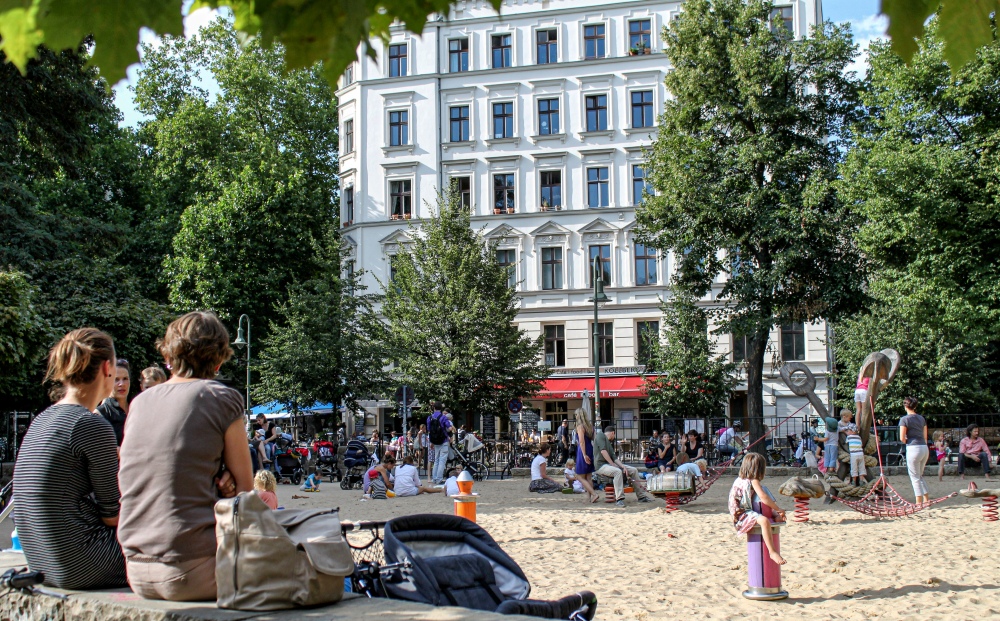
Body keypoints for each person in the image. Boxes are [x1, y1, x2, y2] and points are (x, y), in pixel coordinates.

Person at [117, 311, 253, 601]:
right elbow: (245, 492)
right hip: (194, 568)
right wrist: (226, 483)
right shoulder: (220, 397)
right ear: (219, 359)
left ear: (169, 355)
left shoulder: (139, 403)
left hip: (136, 569)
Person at [13, 328, 128, 590]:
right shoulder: (90, 424)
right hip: (83, 563)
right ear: (107, 368)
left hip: (42, 562)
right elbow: (114, 516)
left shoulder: (42, 420)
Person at [728, 452, 786, 565]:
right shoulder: (753, 481)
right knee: (764, 521)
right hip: (742, 514)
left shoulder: (740, 479)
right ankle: (772, 551)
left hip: (744, 510)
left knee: (767, 512)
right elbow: (763, 497)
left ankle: (775, 515)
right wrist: (778, 509)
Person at [594, 426, 654, 507]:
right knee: (617, 472)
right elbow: (603, 451)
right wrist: (613, 465)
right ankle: (619, 499)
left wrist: (623, 466)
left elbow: (614, 458)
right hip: (601, 466)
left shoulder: (609, 443)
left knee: (633, 470)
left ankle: (641, 496)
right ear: (613, 433)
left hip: (609, 465)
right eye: (614, 435)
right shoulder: (600, 435)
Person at [898, 396, 929, 505]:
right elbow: (925, 436)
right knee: (919, 476)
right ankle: (926, 500)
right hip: (924, 447)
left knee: (914, 477)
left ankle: (918, 502)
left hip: (913, 447)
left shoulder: (904, 419)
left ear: (905, 406)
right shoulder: (921, 418)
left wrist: (908, 441)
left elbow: (902, 438)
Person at [96, 358, 130, 446]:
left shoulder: (136, 407)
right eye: (116, 379)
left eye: (125, 378)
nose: (121, 384)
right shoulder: (101, 413)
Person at [573, 409, 599, 503]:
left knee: (579, 476)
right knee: (588, 476)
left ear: (578, 416)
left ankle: (594, 494)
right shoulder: (590, 426)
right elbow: (595, 439)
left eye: (576, 415)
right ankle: (589, 497)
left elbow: (581, 441)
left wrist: (584, 454)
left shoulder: (580, 426)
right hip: (590, 449)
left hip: (583, 451)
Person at [427, 404, 453, 484]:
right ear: (441, 409)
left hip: (435, 442)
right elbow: (449, 428)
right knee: (442, 461)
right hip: (443, 441)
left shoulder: (429, 418)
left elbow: (429, 430)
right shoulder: (443, 417)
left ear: (434, 408)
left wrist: (431, 441)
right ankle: (439, 479)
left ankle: (434, 478)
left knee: (436, 460)